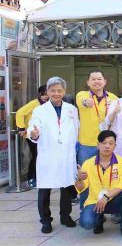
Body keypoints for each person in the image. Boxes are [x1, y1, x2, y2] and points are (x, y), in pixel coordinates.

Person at [27, 77, 78, 234]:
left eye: (59, 90)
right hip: (48, 154)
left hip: (66, 155)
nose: (56, 93)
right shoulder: (40, 110)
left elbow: (76, 128)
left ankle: (65, 216)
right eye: (53, 90)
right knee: (45, 189)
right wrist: (34, 134)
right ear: (47, 92)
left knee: (67, 186)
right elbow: (33, 127)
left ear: (64, 91)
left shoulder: (71, 109)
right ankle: (45, 220)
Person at [75, 130, 122, 239]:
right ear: (98, 145)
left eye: (111, 143)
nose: (107, 146)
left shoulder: (121, 161)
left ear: (115, 146)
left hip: (115, 200)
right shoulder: (88, 163)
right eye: (103, 143)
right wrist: (79, 179)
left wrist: (106, 197)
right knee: (86, 223)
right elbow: (81, 188)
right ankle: (99, 219)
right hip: (95, 201)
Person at [75, 70, 118, 165]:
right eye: (93, 79)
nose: (96, 81)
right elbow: (82, 101)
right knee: (85, 170)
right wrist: (86, 102)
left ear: (104, 81)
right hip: (87, 143)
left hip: (106, 143)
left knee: (105, 170)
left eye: (99, 79)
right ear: (88, 82)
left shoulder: (113, 98)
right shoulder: (82, 94)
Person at [16, 85, 48, 186]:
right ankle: (31, 178)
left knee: (41, 156)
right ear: (39, 94)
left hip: (43, 135)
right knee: (36, 156)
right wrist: (21, 128)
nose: (44, 97)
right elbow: (20, 113)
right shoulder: (34, 103)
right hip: (32, 134)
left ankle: (38, 177)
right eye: (42, 94)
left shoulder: (49, 104)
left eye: (46, 94)